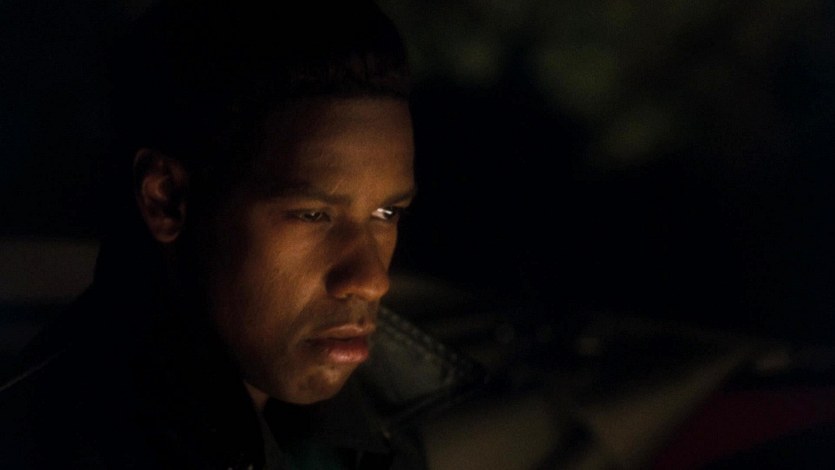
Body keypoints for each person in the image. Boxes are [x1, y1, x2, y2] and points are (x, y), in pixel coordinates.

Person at [0, 1, 482, 468]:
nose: (372, 280)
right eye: (313, 215)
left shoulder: (377, 428)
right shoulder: (41, 443)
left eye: (386, 212)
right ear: (166, 198)